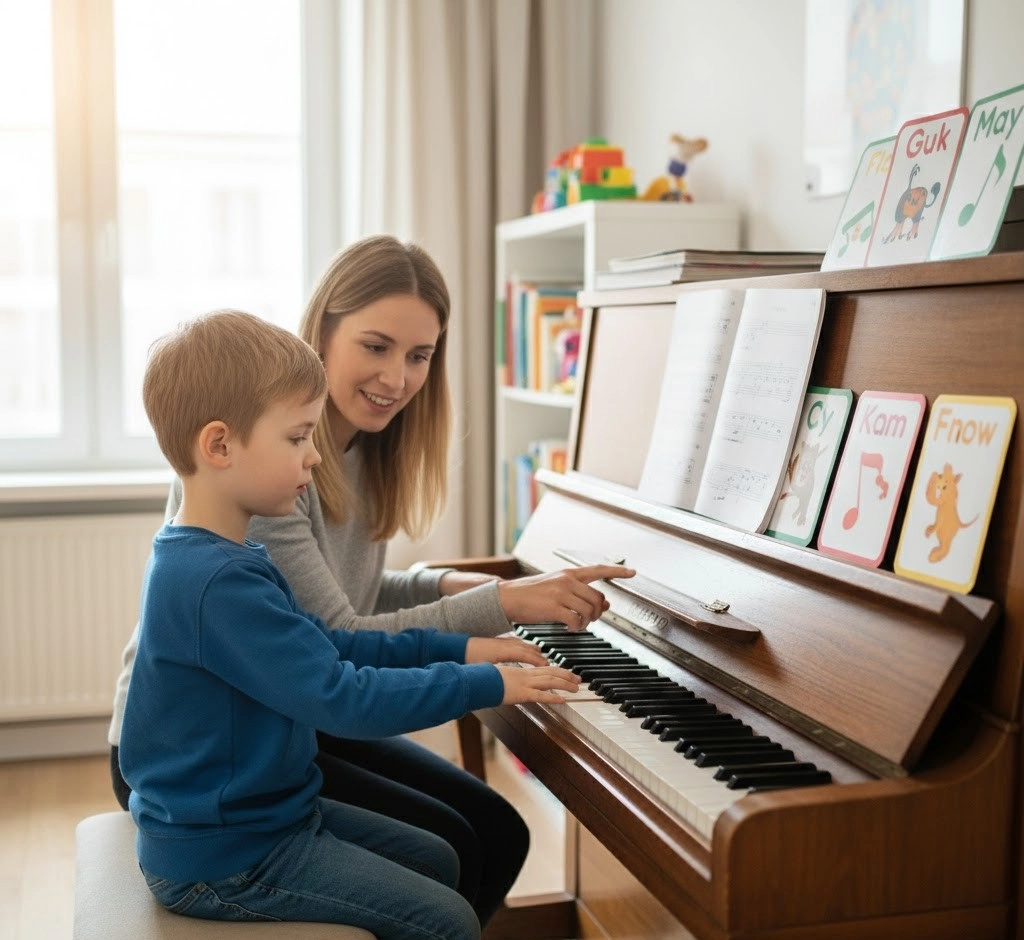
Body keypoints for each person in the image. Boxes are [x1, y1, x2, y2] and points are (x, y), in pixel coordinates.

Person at [109, 235, 634, 926]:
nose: (398, 378)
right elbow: (337, 649)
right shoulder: (255, 494)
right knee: (459, 849)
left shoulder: (315, 457)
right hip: (222, 760)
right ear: (324, 331)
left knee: (487, 833)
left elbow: (351, 596)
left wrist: (468, 614)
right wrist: (489, 632)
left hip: (278, 716)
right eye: (377, 346)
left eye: (420, 356)